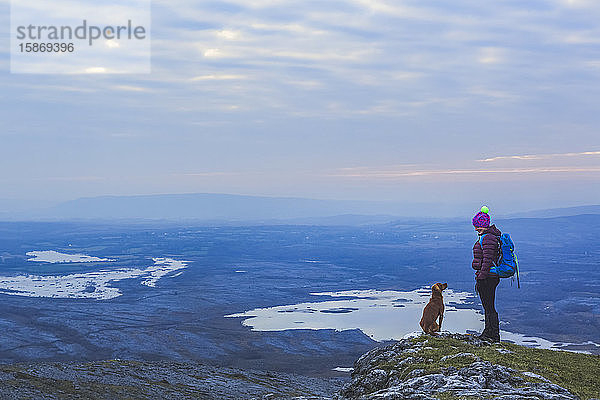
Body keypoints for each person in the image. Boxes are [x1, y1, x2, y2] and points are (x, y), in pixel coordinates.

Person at [471, 206, 501, 342]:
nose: (475, 228)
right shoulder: (487, 236)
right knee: (488, 306)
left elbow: (488, 259)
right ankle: (489, 332)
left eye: (477, 226)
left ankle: (493, 334)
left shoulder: (488, 238)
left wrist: (481, 277)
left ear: (483, 225)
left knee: (489, 306)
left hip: (488, 277)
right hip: (488, 276)